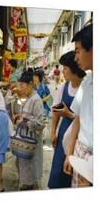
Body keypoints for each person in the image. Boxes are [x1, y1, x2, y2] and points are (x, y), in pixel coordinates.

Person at [48, 51, 86, 188]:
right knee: (59, 167)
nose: (62, 71)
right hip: (64, 132)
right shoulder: (64, 87)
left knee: (73, 171)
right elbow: (56, 112)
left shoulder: (86, 88)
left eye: (65, 67)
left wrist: (69, 114)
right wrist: (53, 132)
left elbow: (85, 118)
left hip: (79, 136)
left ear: (74, 69)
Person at [63, 23, 93, 187]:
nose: (76, 58)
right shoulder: (87, 81)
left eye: (78, 51)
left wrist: (92, 173)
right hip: (79, 152)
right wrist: (69, 154)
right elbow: (78, 120)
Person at [14, 72, 44, 190]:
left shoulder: (36, 100)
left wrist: (23, 122)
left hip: (32, 142)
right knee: (25, 166)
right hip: (25, 141)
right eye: (19, 86)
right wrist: (20, 117)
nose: (20, 89)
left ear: (30, 84)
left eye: (22, 86)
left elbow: (40, 123)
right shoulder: (29, 98)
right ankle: (26, 184)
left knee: (33, 168)